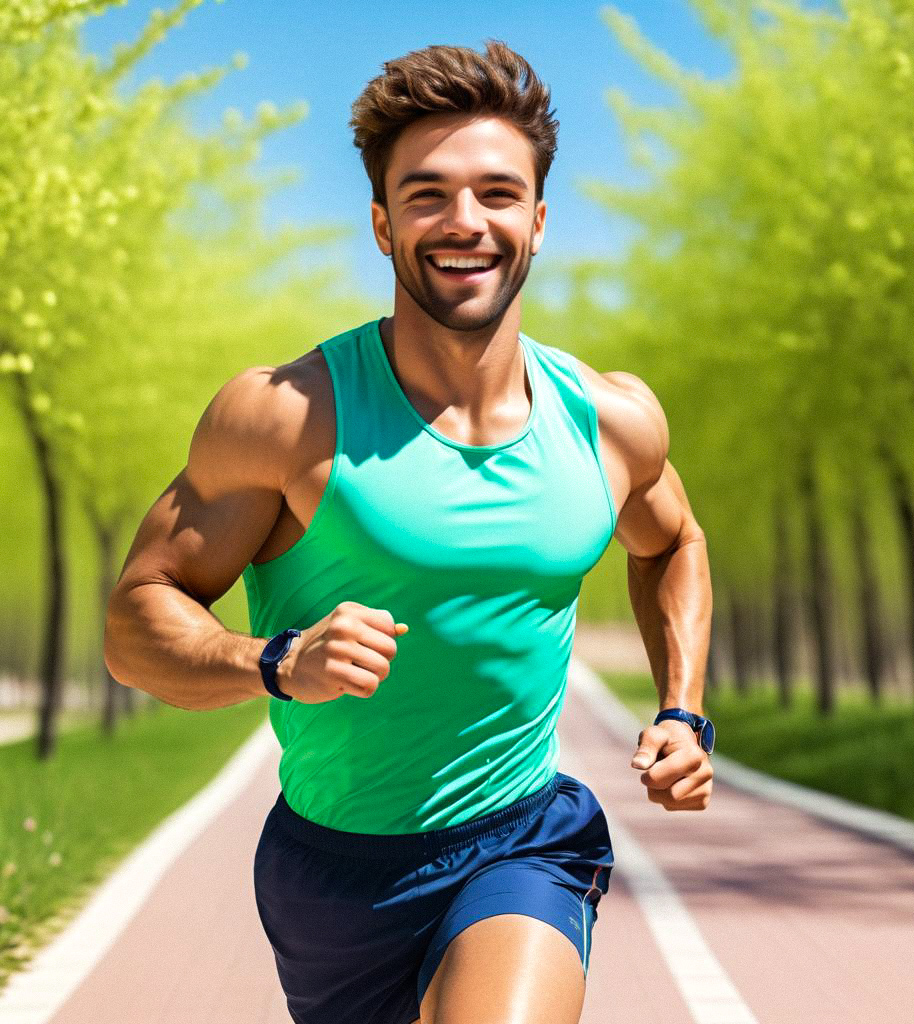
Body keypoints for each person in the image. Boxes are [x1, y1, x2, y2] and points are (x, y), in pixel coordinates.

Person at [104, 39, 714, 1024]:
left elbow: (673, 542)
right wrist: (274, 659)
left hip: (522, 840)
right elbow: (135, 624)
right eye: (426, 195)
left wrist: (682, 708)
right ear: (383, 225)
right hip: (331, 873)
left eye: (497, 193)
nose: (464, 222)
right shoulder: (285, 417)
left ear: (539, 220)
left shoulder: (609, 420)